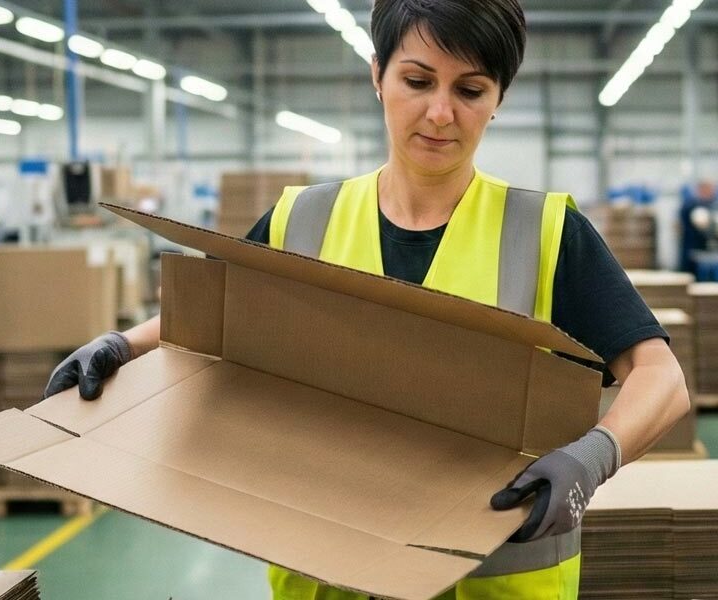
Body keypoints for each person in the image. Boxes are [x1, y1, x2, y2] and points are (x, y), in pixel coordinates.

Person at [43, 1, 690, 598]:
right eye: (418, 80)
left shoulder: (547, 232)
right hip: (325, 579)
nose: (441, 112)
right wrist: (121, 345)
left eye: (469, 90)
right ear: (378, 76)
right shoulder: (303, 220)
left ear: (498, 99)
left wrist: (592, 457)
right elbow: (208, 316)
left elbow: (660, 378)